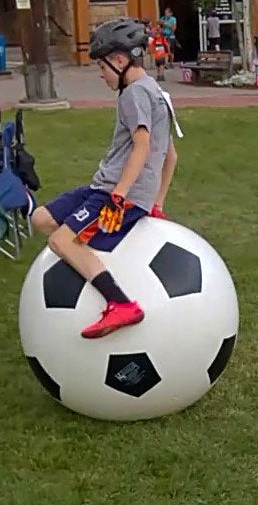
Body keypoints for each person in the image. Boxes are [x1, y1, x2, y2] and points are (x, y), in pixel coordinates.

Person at [27, 19, 177, 339]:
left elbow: (143, 144)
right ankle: (92, 261)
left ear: (120, 61)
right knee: (41, 217)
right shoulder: (157, 92)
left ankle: (120, 303)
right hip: (106, 187)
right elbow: (171, 154)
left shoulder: (132, 94)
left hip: (114, 192)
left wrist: (119, 197)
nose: (100, 73)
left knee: (60, 240)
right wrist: (158, 202)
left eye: (102, 65)